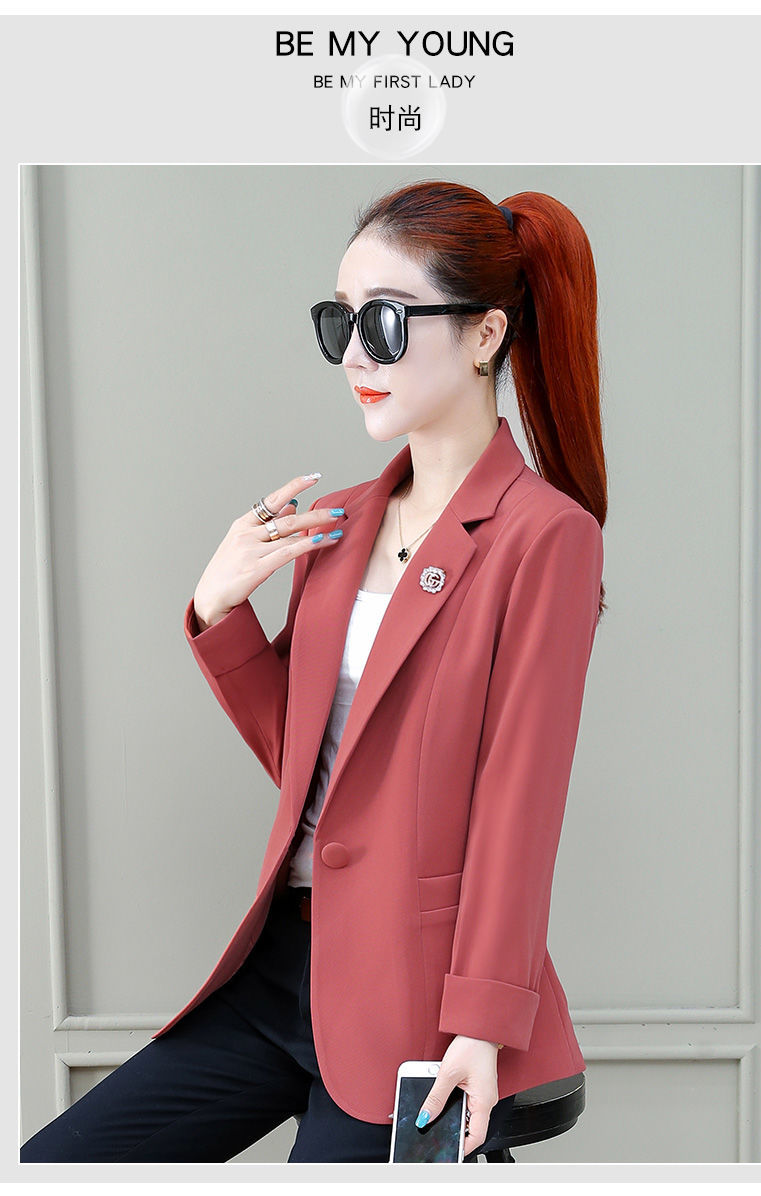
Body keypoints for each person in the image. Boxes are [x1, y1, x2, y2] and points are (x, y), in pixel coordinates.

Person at [21, 179, 607, 1164]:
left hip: (414, 998)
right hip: (277, 971)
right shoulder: (338, 525)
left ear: (483, 334)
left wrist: (480, 1027)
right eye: (340, 321)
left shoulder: (544, 537)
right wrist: (220, 612)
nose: (354, 356)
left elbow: (520, 803)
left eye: (383, 321)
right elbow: (312, 768)